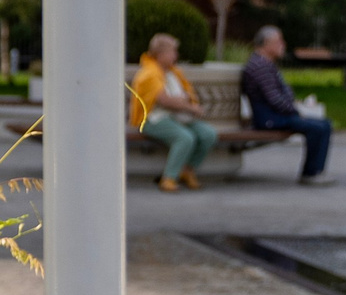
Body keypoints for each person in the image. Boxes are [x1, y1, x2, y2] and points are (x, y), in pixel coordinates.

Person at [240, 26, 333, 184]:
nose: (283, 44)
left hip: (278, 115)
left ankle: (315, 171)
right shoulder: (260, 66)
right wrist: (296, 112)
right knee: (317, 127)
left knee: (324, 124)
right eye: (278, 41)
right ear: (266, 44)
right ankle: (310, 173)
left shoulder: (266, 64)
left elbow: (286, 93)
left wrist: (292, 106)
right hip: (269, 118)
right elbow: (275, 99)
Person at [131, 32, 217, 192]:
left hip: (178, 117)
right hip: (152, 119)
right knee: (185, 138)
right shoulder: (149, 73)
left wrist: (186, 104)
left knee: (208, 134)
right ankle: (169, 178)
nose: (176, 56)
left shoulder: (173, 72)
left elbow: (184, 96)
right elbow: (164, 100)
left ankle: (187, 170)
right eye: (172, 52)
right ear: (160, 54)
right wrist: (190, 107)